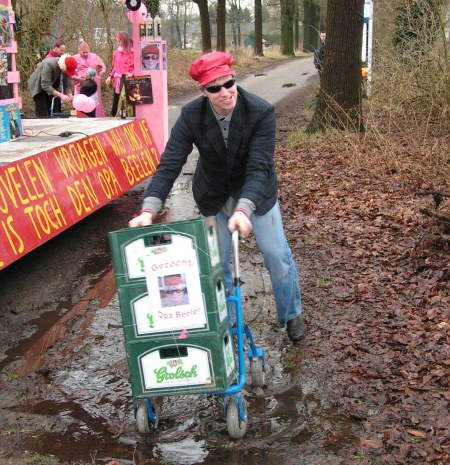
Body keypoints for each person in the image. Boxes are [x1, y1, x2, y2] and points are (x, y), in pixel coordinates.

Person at [128, 51, 307, 345]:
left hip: (256, 194)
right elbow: (170, 162)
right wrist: (149, 208)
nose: (225, 93)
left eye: (229, 83)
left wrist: (244, 208)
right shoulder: (191, 115)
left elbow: (259, 166)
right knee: (217, 264)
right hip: (213, 194)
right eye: (215, 88)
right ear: (203, 91)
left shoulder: (260, 111)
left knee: (278, 257)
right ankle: (227, 322)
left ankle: (291, 313)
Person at [28, 53, 76, 118]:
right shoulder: (49, 64)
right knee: (42, 110)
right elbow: (45, 85)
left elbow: (67, 84)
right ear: (63, 66)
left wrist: (69, 94)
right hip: (39, 85)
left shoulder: (67, 67)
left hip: (52, 83)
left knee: (56, 109)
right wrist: (61, 95)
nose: (67, 73)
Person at [72, 41, 106, 117]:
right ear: (79, 51)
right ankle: (80, 118)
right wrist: (75, 77)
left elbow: (103, 66)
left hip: (93, 83)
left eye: (87, 52)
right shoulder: (74, 58)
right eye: (83, 52)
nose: (85, 54)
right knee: (80, 101)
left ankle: (97, 117)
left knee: (94, 101)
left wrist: (102, 71)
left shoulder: (94, 56)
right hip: (80, 84)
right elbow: (69, 72)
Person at [105, 31, 134, 117]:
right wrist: (110, 76)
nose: (118, 43)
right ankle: (115, 116)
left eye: (119, 41)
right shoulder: (118, 52)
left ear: (124, 40)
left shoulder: (132, 52)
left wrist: (131, 74)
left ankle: (127, 118)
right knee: (116, 99)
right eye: (117, 41)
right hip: (118, 80)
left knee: (126, 101)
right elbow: (115, 67)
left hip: (128, 80)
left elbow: (136, 67)